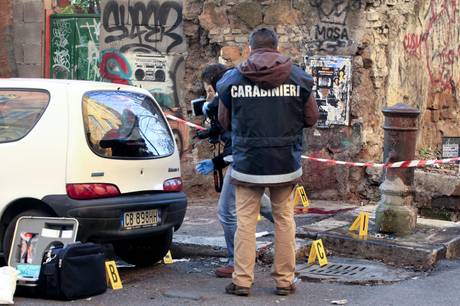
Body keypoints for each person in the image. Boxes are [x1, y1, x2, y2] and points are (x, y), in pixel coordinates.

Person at [217, 28, 319, 296]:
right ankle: (285, 281)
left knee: (245, 222)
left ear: (249, 48)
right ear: (277, 47)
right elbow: (311, 118)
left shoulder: (232, 79)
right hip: (285, 163)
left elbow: (223, 121)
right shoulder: (298, 78)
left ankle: (242, 280)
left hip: (248, 164)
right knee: (285, 220)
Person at [195, 63, 274, 278]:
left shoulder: (227, 93)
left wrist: (217, 161)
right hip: (264, 156)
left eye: (210, 90)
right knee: (263, 204)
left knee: (226, 212)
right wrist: (212, 130)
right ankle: (287, 233)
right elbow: (231, 129)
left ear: (216, 83)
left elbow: (236, 141)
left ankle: (235, 261)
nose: (210, 96)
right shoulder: (242, 90)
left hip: (244, 160)